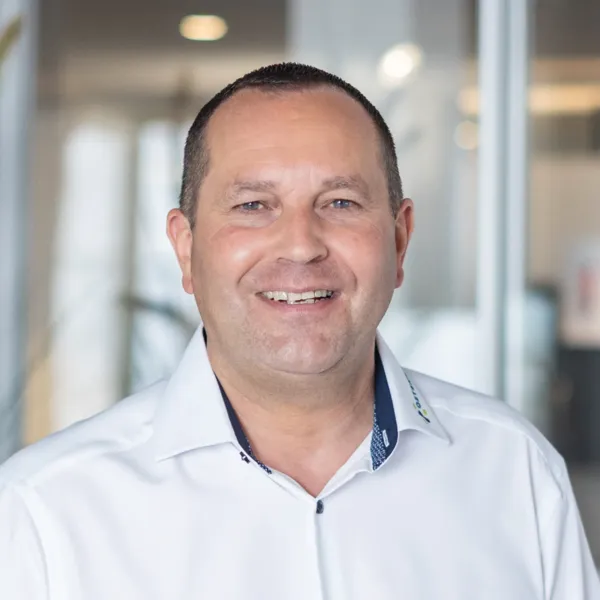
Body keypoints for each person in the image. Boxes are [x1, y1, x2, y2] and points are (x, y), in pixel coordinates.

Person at [0, 63, 598, 600]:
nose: (301, 245)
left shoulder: (514, 470)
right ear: (185, 248)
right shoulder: (47, 510)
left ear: (399, 240)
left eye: (339, 203)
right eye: (253, 206)